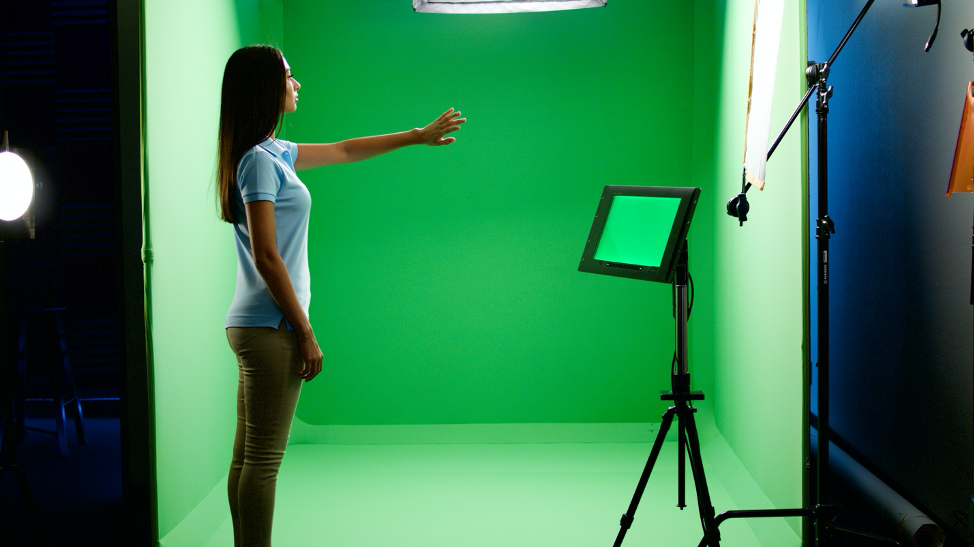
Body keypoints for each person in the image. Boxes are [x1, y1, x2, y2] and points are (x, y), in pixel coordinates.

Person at [216, 44, 464, 547]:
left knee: (247, 459)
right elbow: (268, 256)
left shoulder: (268, 154)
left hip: (251, 324)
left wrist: (416, 136)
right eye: (289, 74)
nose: (297, 83)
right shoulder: (259, 164)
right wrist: (305, 332)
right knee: (262, 463)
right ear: (267, 86)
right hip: (272, 327)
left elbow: (346, 149)